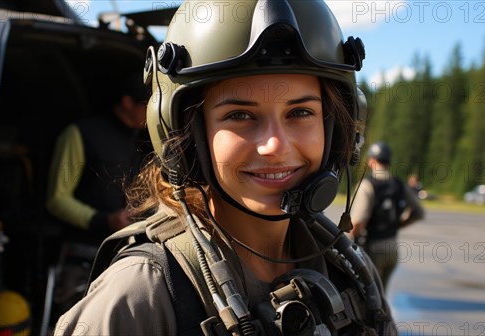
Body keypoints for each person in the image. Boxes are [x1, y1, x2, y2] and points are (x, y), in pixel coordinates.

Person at [54, 1, 397, 335]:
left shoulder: (350, 270)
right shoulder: (140, 297)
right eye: (240, 115)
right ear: (186, 138)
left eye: (300, 112)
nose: (275, 145)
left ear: (338, 127)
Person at [45, 73, 151, 311]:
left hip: (128, 254)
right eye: (147, 105)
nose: (152, 112)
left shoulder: (146, 139)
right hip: (81, 254)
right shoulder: (80, 133)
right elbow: (57, 199)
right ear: (127, 102)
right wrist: (104, 220)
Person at [350, 142, 425, 292]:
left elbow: (358, 222)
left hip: (373, 248)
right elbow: (418, 212)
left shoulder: (367, 185)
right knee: (381, 294)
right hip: (392, 248)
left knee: (366, 295)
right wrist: (398, 224)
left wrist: (349, 242)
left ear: (371, 161)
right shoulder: (399, 184)